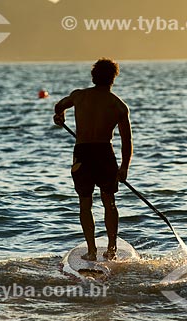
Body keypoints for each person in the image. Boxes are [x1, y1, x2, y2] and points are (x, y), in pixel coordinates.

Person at [54, 58, 133, 261]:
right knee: (109, 202)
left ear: (93, 77)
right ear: (113, 78)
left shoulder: (79, 97)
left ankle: (91, 250)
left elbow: (58, 105)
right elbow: (127, 143)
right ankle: (112, 249)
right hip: (105, 154)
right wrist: (124, 168)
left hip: (83, 154)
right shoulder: (119, 105)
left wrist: (60, 115)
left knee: (84, 203)